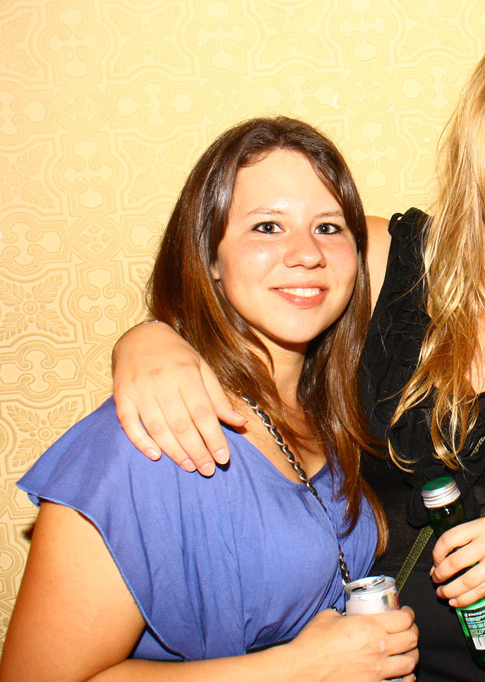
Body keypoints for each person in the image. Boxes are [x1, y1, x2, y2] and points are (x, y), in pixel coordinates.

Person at [105, 22, 485, 681]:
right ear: (476, 147)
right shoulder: (383, 257)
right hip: (380, 659)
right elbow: (248, 279)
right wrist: (147, 339)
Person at [0, 117, 419, 681]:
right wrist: (301, 668)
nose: (307, 253)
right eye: (267, 226)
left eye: (328, 227)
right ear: (211, 258)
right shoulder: (147, 439)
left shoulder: (328, 411)